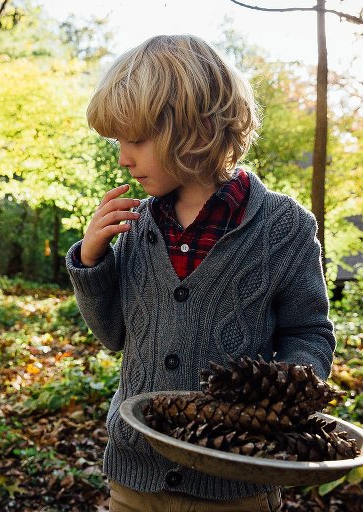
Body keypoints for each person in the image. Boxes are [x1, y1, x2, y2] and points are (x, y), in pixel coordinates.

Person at [66, 34, 335, 512]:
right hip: (136, 479)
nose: (123, 158)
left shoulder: (284, 228)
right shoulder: (138, 226)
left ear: (194, 130)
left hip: (234, 481)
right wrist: (91, 262)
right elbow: (113, 335)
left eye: (136, 140)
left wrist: (286, 393)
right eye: (118, 143)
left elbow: (308, 330)